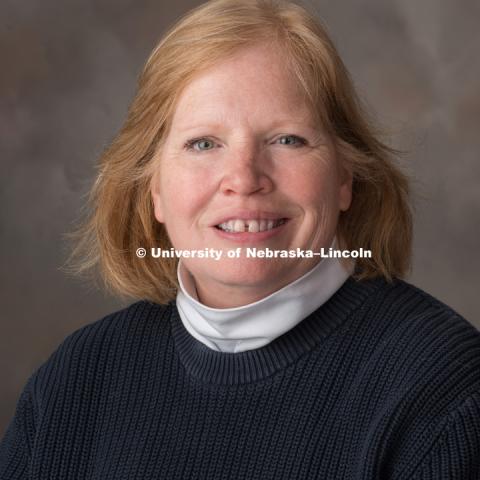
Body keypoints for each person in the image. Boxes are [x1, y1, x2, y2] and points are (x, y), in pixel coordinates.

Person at [1, 0, 479, 478]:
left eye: (287, 139)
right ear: (154, 191)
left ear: (344, 179)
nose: (244, 178)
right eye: (203, 143)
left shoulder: (446, 391)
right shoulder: (77, 379)